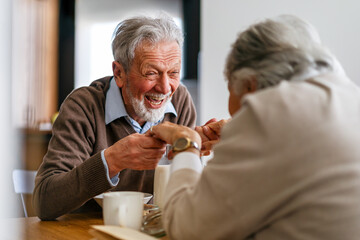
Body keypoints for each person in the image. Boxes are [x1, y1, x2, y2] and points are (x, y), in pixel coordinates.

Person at [149, 15, 360, 239]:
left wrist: (186, 141)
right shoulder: (348, 94)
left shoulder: (269, 111)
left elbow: (186, 229)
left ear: (250, 84)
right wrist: (239, 143)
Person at [33, 14, 221, 220]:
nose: (166, 88)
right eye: (151, 73)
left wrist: (191, 149)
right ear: (119, 72)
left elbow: (187, 199)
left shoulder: (180, 100)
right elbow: (44, 202)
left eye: (174, 72)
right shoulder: (84, 106)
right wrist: (112, 160)